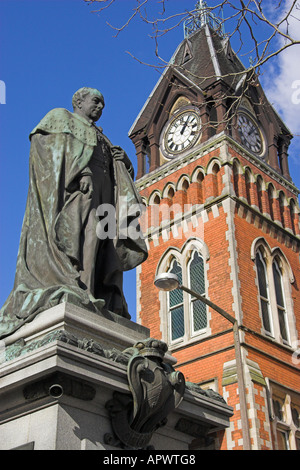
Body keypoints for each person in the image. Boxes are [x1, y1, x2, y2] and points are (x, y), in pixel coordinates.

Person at [0, 87, 147, 339]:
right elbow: (46, 147)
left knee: (103, 244)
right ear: (79, 101)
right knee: (87, 238)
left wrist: (124, 162)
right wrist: (80, 171)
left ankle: (94, 292)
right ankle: (84, 291)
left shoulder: (103, 136)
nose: (100, 107)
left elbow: (115, 170)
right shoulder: (61, 118)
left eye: (103, 104)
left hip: (105, 192)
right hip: (79, 192)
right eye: (96, 101)